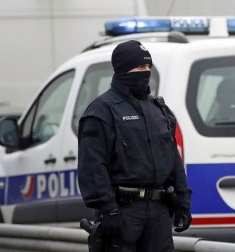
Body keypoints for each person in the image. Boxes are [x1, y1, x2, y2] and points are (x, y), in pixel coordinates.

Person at [77, 40, 192, 252]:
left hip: (158, 211)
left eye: (149, 67)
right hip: (123, 211)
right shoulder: (101, 111)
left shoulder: (159, 110)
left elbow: (173, 158)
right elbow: (93, 166)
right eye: (140, 67)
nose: (145, 72)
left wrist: (183, 201)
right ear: (122, 69)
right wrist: (108, 208)